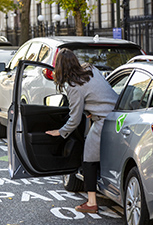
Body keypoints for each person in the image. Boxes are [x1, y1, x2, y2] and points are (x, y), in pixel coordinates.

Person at [45, 48, 118, 213]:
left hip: (103, 121)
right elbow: (101, 91)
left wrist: (60, 132)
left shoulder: (73, 85)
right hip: (118, 115)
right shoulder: (90, 69)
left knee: (88, 159)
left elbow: (75, 118)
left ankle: (91, 202)